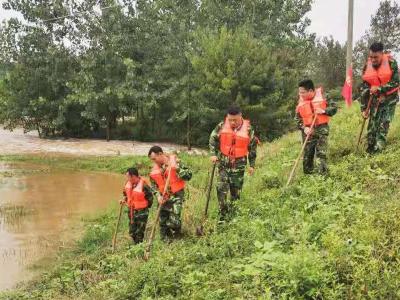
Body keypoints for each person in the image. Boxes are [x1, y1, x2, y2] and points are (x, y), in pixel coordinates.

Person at [209, 106, 257, 221]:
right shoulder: (221, 126)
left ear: (240, 116)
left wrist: (252, 165)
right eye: (230, 119)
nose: (232, 122)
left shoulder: (249, 129)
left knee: (235, 193)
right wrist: (213, 154)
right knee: (221, 189)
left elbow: (252, 148)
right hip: (223, 164)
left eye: (235, 120)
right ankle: (222, 217)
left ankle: (233, 217)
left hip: (239, 166)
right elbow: (212, 138)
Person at [359, 42, 399, 153]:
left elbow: (396, 82)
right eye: (371, 57)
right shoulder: (367, 66)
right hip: (374, 100)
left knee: (383, 125)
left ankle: (377, 153)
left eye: (375, 57)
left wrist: (380, 89)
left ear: (382, 54)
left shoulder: (392, 63)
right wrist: (363, 109)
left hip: (390, 99)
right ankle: (369, 149)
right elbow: (364, 88)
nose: (373, 60)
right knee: (372, 127)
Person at [148, 146, 192, 241]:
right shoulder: (154, 170)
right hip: (163, 198)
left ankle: (178, 237)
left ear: (160, 154)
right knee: (162, 224)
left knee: (174, 222)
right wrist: (158, 196)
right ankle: (167, 244)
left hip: (176, 196)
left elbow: (189, 176)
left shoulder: (175, 162)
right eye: (152, 160)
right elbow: (153, 186)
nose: (154, 161)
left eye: (154, 159)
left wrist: (177, 168)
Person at [295, 79, 337, 175]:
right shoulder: (300, 101)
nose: (301, 94)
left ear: (310, 91)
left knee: (321, 155)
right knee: (307, 157)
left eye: (303, 92)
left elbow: (334, 108)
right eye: (299, 92)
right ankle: (308, 178)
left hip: (321, 130)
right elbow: (297, 118)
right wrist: (304, 128)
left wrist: (323, 111)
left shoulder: (324, 96)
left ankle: (323, 178)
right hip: (307, 132)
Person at [121, 167, 153, 244]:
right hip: (131, 212)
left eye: (128, 176)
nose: (127, 178)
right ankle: (133, 246)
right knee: (132, 231)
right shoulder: (128, 183)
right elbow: (125, 194)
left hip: (142, 212)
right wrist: (124, 200)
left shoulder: (144, 185)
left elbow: (150, 198)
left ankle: (139, 247)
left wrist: (144, 207)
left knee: (139, 232)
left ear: (133, 176)